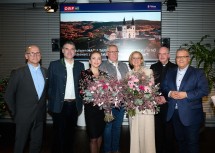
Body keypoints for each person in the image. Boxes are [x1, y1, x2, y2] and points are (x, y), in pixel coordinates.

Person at [161, 48, 209, 153]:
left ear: (189, 59)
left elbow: (204, 90)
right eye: (178, 57)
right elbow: (163, 87)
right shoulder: (170, 72)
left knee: (192, 143)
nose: (181, 59)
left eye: (184, 56)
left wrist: (186, 94)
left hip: (191, 114)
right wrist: (170, 93)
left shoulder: (198, 73)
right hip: (174, 113)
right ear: (176, 58)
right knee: (179, 141)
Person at [5, 45, 48, 153]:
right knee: (20, 145)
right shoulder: (18, 73)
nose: (35, 55)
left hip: (39, 117)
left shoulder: (45, 72)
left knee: (36, 145)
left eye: (37, 53)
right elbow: (8, 95)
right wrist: (16, 114)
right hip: (23, 117)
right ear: (26, 56)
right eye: (32, 53)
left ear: (40, 56)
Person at [48, 41, 85, 153]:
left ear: (75, 51)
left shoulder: (80, 65)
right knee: (59, 134)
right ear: (62, 50)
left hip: (74, 105)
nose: (69, 51)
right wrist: (52, 102)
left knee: (71, 134)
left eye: (72, 49)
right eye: (67, 48)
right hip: (59, 105)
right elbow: (49, 86)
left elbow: (82, 86)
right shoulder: (54, 65)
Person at [99, 44, 129, 153]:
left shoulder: (124, 66)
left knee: (117, 127)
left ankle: (115, 149)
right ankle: (107, 150)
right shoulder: (102, 66)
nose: (114, 54)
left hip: (121, 103)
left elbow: (127, 83)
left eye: (115, 51)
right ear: (107, 54)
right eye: (111, 52)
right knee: (108, 127)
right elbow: (101, 86)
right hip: (109, 103)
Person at [127, 51, 156, 153]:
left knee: (147, 133)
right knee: (135, 133)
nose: (136, 60)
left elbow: (151, 90)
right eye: (133, 58)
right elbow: (126, 91)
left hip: (146, 107)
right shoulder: (128, 74)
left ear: (142, 60)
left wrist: (141, 94)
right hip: (133, 107)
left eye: (138, 58)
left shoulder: (148, 71)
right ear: (131, 60)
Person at [150, 46, 176, 153]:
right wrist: (155, 96)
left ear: (169, 55)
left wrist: (166, 97)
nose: (162, 56)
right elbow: (151, 84)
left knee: (169, 129)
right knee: (158, 129)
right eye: (160, 54)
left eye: (164, 54)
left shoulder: (175, 67)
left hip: (169, 102)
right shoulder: (153, 67)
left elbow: (176, 85)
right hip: (156, 102)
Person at [79, 50, 107, 153]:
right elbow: (81, 91)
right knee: (93, 138)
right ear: (90, 61)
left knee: (99, 135)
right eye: (94, 58)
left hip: (102, 110)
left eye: (99, 58)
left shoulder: (104, 75)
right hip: (91, 110)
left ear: (101, 61)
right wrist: (94, 96)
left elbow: (108, 91)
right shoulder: (84, 74)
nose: (96, 60)